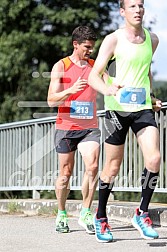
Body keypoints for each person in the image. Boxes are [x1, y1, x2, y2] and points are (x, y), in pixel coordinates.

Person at [88, 0, 162, 242]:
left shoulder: (153, 39)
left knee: (154, 158)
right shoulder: (113, 39)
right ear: (122, 11)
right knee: (112, 168)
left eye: (140, 6)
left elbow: (146, 70)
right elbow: (94, 76)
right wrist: (109, 90)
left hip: (141, 109)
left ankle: (141, 213)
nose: (138, 10)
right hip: (116, 111)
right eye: (132, 6)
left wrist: (151, 96)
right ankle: (100, 217)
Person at [47, 26, 101, 234]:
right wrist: (70, 90)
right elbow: (51, 100)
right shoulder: (61, 66)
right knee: (65, 174)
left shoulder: (95, 66)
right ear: (75, 44)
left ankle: (86, 212)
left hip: (89, 127)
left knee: (93, 166)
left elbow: (110, 86)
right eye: (87, 47)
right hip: (66, 127)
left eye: (92, 47)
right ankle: (61, 213)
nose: (90, 51)